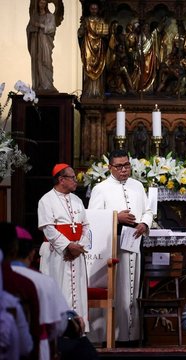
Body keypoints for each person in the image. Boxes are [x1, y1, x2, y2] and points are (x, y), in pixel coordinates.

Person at [88, 149, 153, 344]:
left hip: (134, 240)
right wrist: (117, 217)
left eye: (126, 165)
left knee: (132, 291)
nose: (124, 170)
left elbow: (148, 210)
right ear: (110, 168)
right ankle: (112, 336)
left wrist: (145, 223)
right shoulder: (101, 188)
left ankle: (131, 336)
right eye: (119, 166)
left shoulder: (138, 186)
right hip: (112, 244)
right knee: (118, 290)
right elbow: (93, 218)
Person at [11, 225, 95, 360]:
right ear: (32, 253)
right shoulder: (42, 281)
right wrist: (74, 322)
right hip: (35, 349)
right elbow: (60, 323)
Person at [37, 164, 90, 333]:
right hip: (56, 255)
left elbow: (86, 226)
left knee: (78, 293)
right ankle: (58, 332)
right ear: (61, 180)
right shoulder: (46, 200)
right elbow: (48, 228)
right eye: (73, 177)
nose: (76, 180)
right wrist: (68, 246)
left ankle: (79, 330)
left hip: (76, 254)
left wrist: (79, 246)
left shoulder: (77, 200)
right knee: (58, 291)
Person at [26, 0, 63, 93]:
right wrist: (32, 28)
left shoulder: (50, 16)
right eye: (40, 3)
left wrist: (40, 25)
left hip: (45, 43)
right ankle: (38, 85)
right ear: (37, 3)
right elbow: (28, 28)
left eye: (43, 3)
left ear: (46, 4)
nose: (41, 5)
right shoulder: (34, 16)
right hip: (36, 42)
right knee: (37, 61)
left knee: (46, 62)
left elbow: (52, 29)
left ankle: (47, 85)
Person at [77, 1, 109, 97]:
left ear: (98, 10)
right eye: (92, 9)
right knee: (88, 66)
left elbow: (106, 35)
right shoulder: (86, 20)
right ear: (89, 9)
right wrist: (82, 30)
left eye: (95, 9)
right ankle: (89, 91)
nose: (94, 11)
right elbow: (80, 34)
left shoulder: (101, 21)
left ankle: (98, 91)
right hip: (88, 45)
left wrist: (103, 35)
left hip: (99, 47)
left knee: (99, 67)